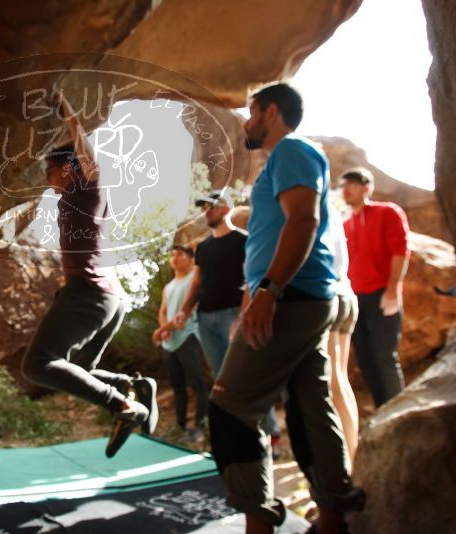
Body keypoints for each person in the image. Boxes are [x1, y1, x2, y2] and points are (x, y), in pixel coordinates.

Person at [207, 83, 364, 534]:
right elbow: (278, 228)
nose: (246, 122)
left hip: (290, 298)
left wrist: (269, 291)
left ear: (271, 112)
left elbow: (304, 219)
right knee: (310, 408)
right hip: (298, 298)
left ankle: (259, 521)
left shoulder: (293, 150)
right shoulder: (285, 159)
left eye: (252, 112)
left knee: (231, 405)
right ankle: (333, 516)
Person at [21, 91, 158, 459]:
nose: (47, 178)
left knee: (38, 364)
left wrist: (69, 115)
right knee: (81, 368)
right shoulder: (75, 200)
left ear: (68, 169)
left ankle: (124, 405)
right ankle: (133, 386)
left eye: (50, 170)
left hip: (90, 294)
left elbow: (88, 159)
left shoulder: (86, 190)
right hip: (109, 299)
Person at [174, 191, 282, 456]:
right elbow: (197, 283)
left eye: (210, 207)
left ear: (225, 209)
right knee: (222, 380)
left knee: (248, 375)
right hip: (205, 319)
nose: (205, 212)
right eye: (203, 207)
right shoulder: (203, 248)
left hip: (234, 316)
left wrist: (242, 319)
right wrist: (185, 311)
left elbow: (252, 280)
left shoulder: (244, 241)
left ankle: (272, 436)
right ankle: (240, 437)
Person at [340, 167, 410, 407]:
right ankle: (383, 411)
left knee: (384, 355)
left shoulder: (387, 212)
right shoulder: (344, 224)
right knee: (365, 358)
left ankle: (398, 413)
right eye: (343, 185)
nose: (346, 190)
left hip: (382, 294)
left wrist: (392, 289)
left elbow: (400, 251)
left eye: (352, 184)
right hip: (355, 300)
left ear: (366, 187)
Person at [152, 245, 209, 444]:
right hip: (170, 343)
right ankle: (181, 426)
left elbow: (185, 312)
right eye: (173, 255)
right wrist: (164, 329)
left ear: (191, 259)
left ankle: (200, 427)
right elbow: (163, 311)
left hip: (188, 337)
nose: (175, 258)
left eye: (180, 254)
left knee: (197, 383)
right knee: (178, 387)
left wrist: (160, 331)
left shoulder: (194, 278)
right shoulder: (168, 287)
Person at [327, 202, 360, 461]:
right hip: (347, 294)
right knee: (340, 379)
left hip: (331, 297)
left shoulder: (311, 205)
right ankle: (354, 450)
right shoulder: (334, 211)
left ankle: (347, 459)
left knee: (331, 383)